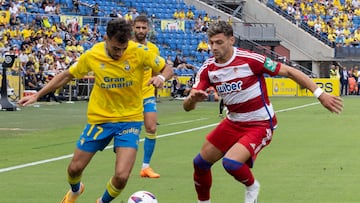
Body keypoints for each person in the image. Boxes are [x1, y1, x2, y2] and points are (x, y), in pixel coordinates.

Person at [183, 21, 343, 203]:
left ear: (231, 40)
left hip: (259, 123)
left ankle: (252, 186)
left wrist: (320, 94)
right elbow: (188, 106)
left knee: (231, 163)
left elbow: (290, 72)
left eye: (219, 42)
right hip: (233, 122)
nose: (214, 47)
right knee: (200, 164)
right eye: (211, 43)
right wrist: (191, 100)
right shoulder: (208, 69)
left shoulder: (250, 59)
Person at [18, 18, 173, 203]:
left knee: (122, 176)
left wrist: (162, 78)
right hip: (100, 119)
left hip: (129, 120)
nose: (120, 53)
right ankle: (76, 190)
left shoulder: (139, 52)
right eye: (116, 48)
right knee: (74, 169)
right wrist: (38, 94)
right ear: (106, 38)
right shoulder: (93, 55)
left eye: (124, 48)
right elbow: (67, 75)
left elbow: (166, 68)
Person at [132, 15, 161, 178]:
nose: (141, 31)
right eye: (138, 27)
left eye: (144, 28)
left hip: (147, 94)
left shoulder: (153, 49)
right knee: (129, 132)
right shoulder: (126, 47)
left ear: (148, 29)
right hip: (129, 96)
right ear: (133, 28)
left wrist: (156, 85)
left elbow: (156, 73)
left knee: (151, 127)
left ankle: (145, 167)